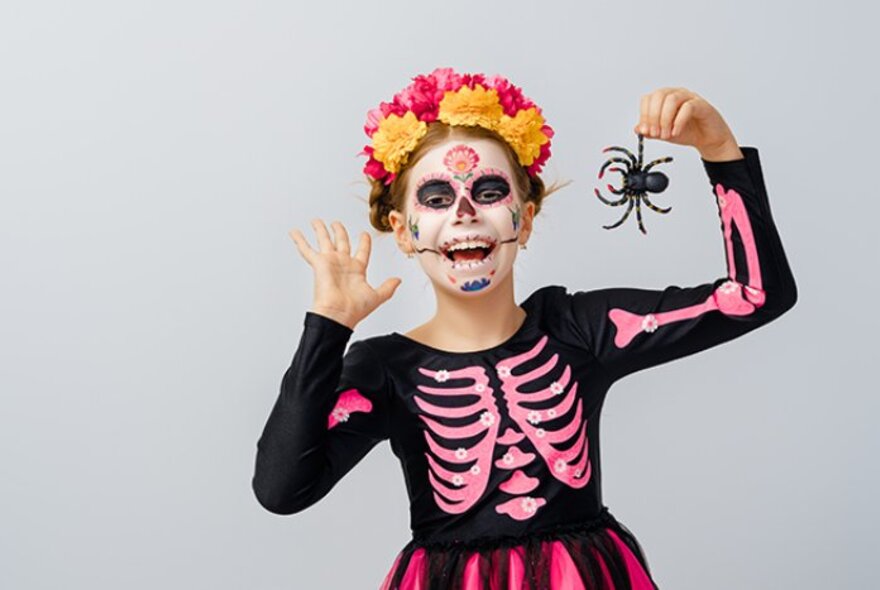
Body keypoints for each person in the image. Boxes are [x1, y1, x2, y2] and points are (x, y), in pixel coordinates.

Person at [251, 68, 798, 589]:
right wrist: (328, 327)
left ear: (526, 218)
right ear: (403, 231)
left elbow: (754, 295)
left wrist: (720, 150)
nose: (464, 211)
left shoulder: (579, 330)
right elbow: (281, 490)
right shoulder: (384, 370)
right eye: (437, 199)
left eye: (489, 193)